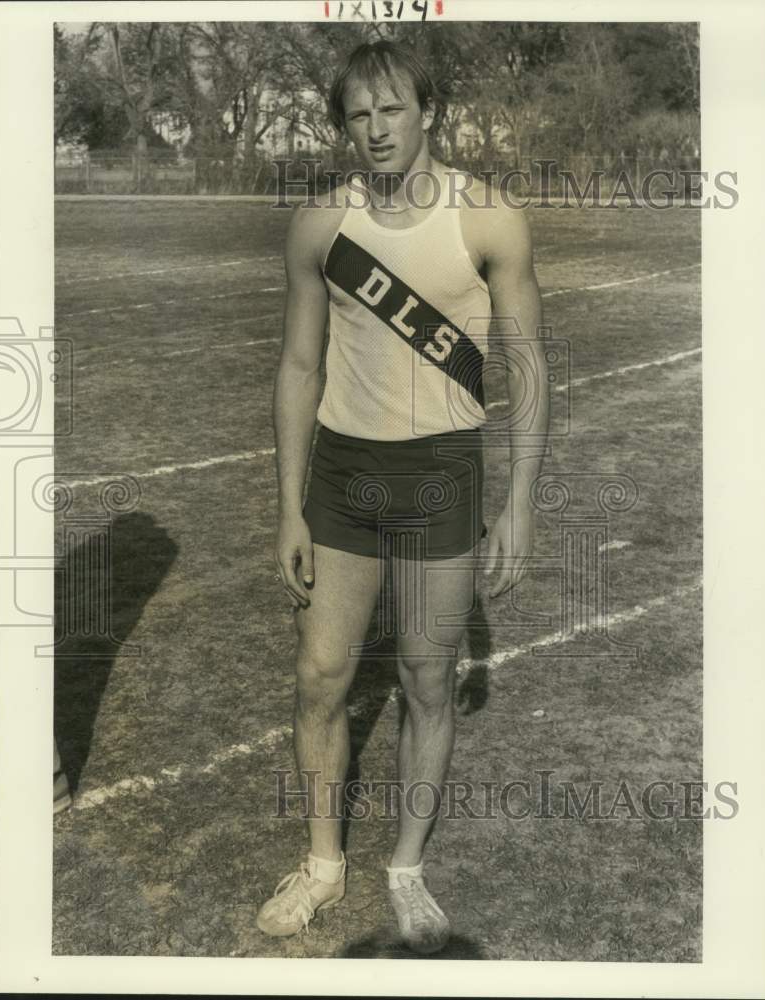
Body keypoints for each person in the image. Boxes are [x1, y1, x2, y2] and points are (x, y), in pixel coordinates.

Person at [262, 40, 547, 954]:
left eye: (392, 110)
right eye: (358, 115)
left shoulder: (488, 218)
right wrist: (287, 507)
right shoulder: (319, 225)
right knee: (321, 677)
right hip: (344, 473)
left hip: (441, 475)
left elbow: (527, 368)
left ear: (426, 110)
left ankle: (406, 868)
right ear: (341, 123)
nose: (376, 130)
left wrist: (519, 502)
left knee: (427, 680)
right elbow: (300, 365)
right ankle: (321, 866)